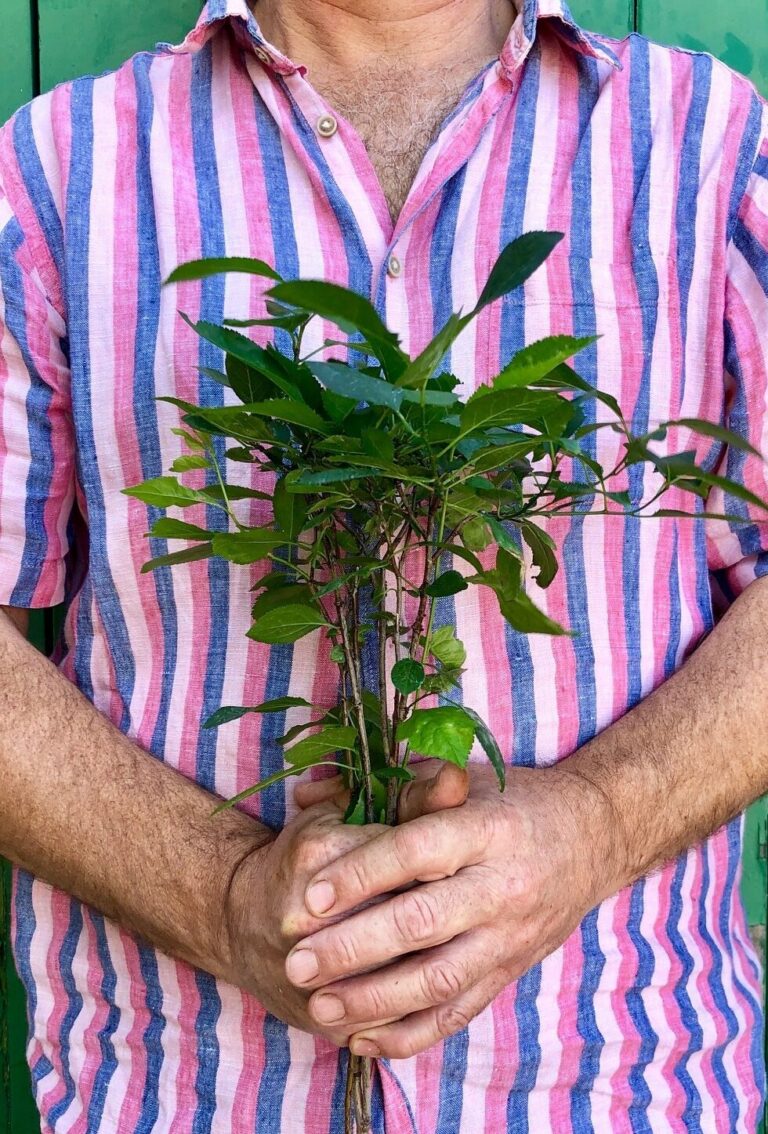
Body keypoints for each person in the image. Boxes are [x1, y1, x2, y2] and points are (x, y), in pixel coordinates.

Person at [0, 0, 767, 1129]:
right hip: (182, 1087)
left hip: (619, 1077)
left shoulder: (709, 141)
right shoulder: (60, 165)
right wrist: (222, 897)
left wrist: (597, 821)